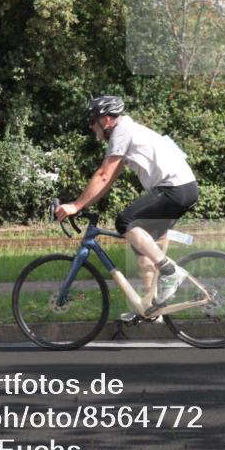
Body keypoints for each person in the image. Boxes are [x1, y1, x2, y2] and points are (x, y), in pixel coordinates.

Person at [55, 95, 198, 315]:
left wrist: (75, 205)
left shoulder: (122, 131)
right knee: (143, 247)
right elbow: (109, 179)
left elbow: (103, 175)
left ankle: (170, 271)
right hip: (182, 188)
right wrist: (83, 204)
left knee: (124, 222)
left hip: (174, 189)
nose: (90, 126)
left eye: (93, 120)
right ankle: (151, 308)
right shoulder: (129, 131)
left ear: (107, 120)